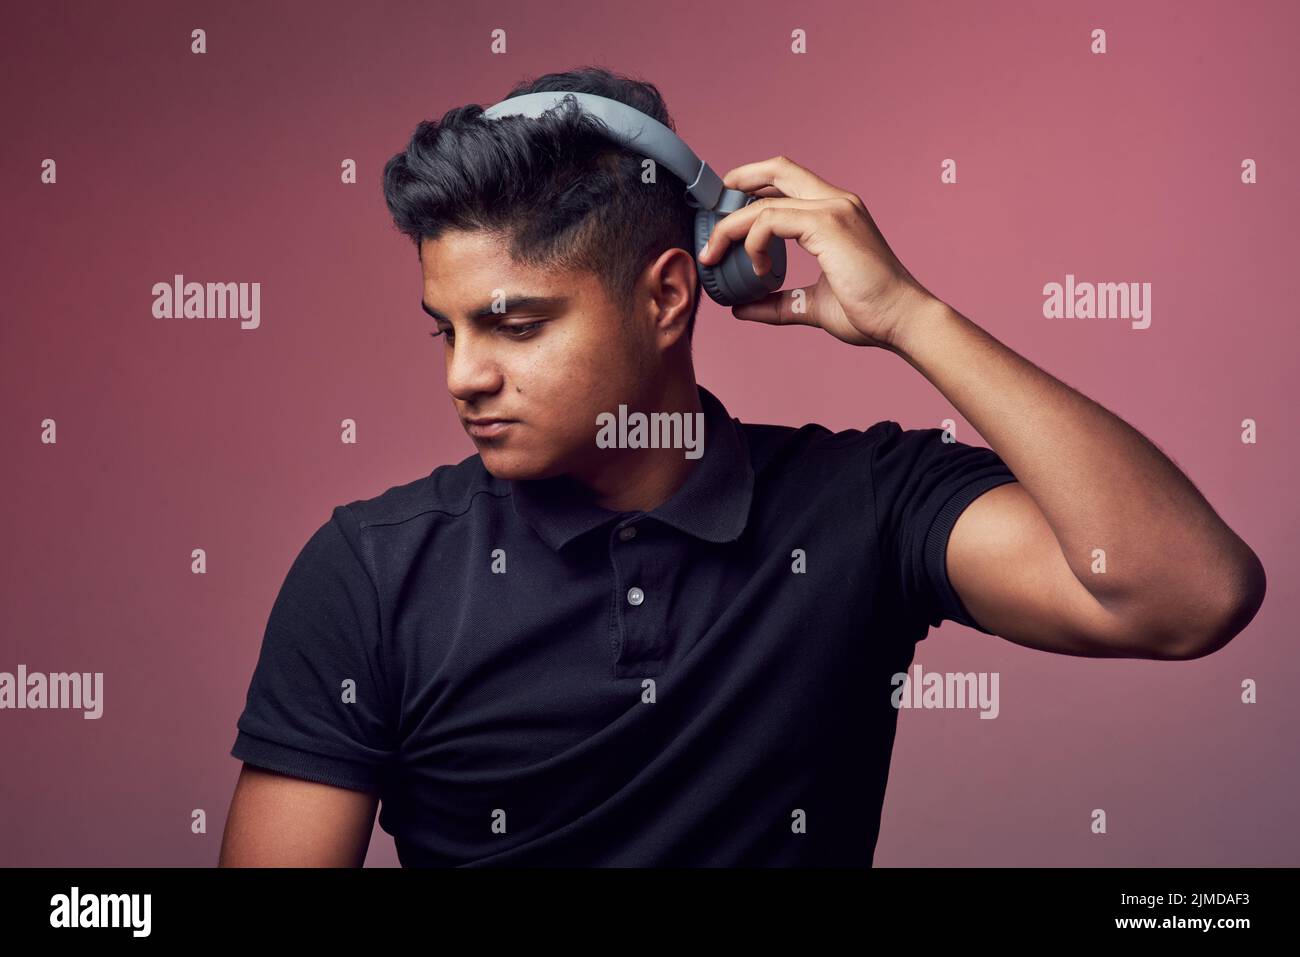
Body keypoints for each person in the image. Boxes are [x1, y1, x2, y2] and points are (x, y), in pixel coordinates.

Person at [218, 66, 1266, 867]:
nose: (466, 377)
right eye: (444, 333)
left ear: (669, 297)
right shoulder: (368, 569)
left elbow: (1186, 595)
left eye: (515, 326)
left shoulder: (866, 505)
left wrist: (911, 317)